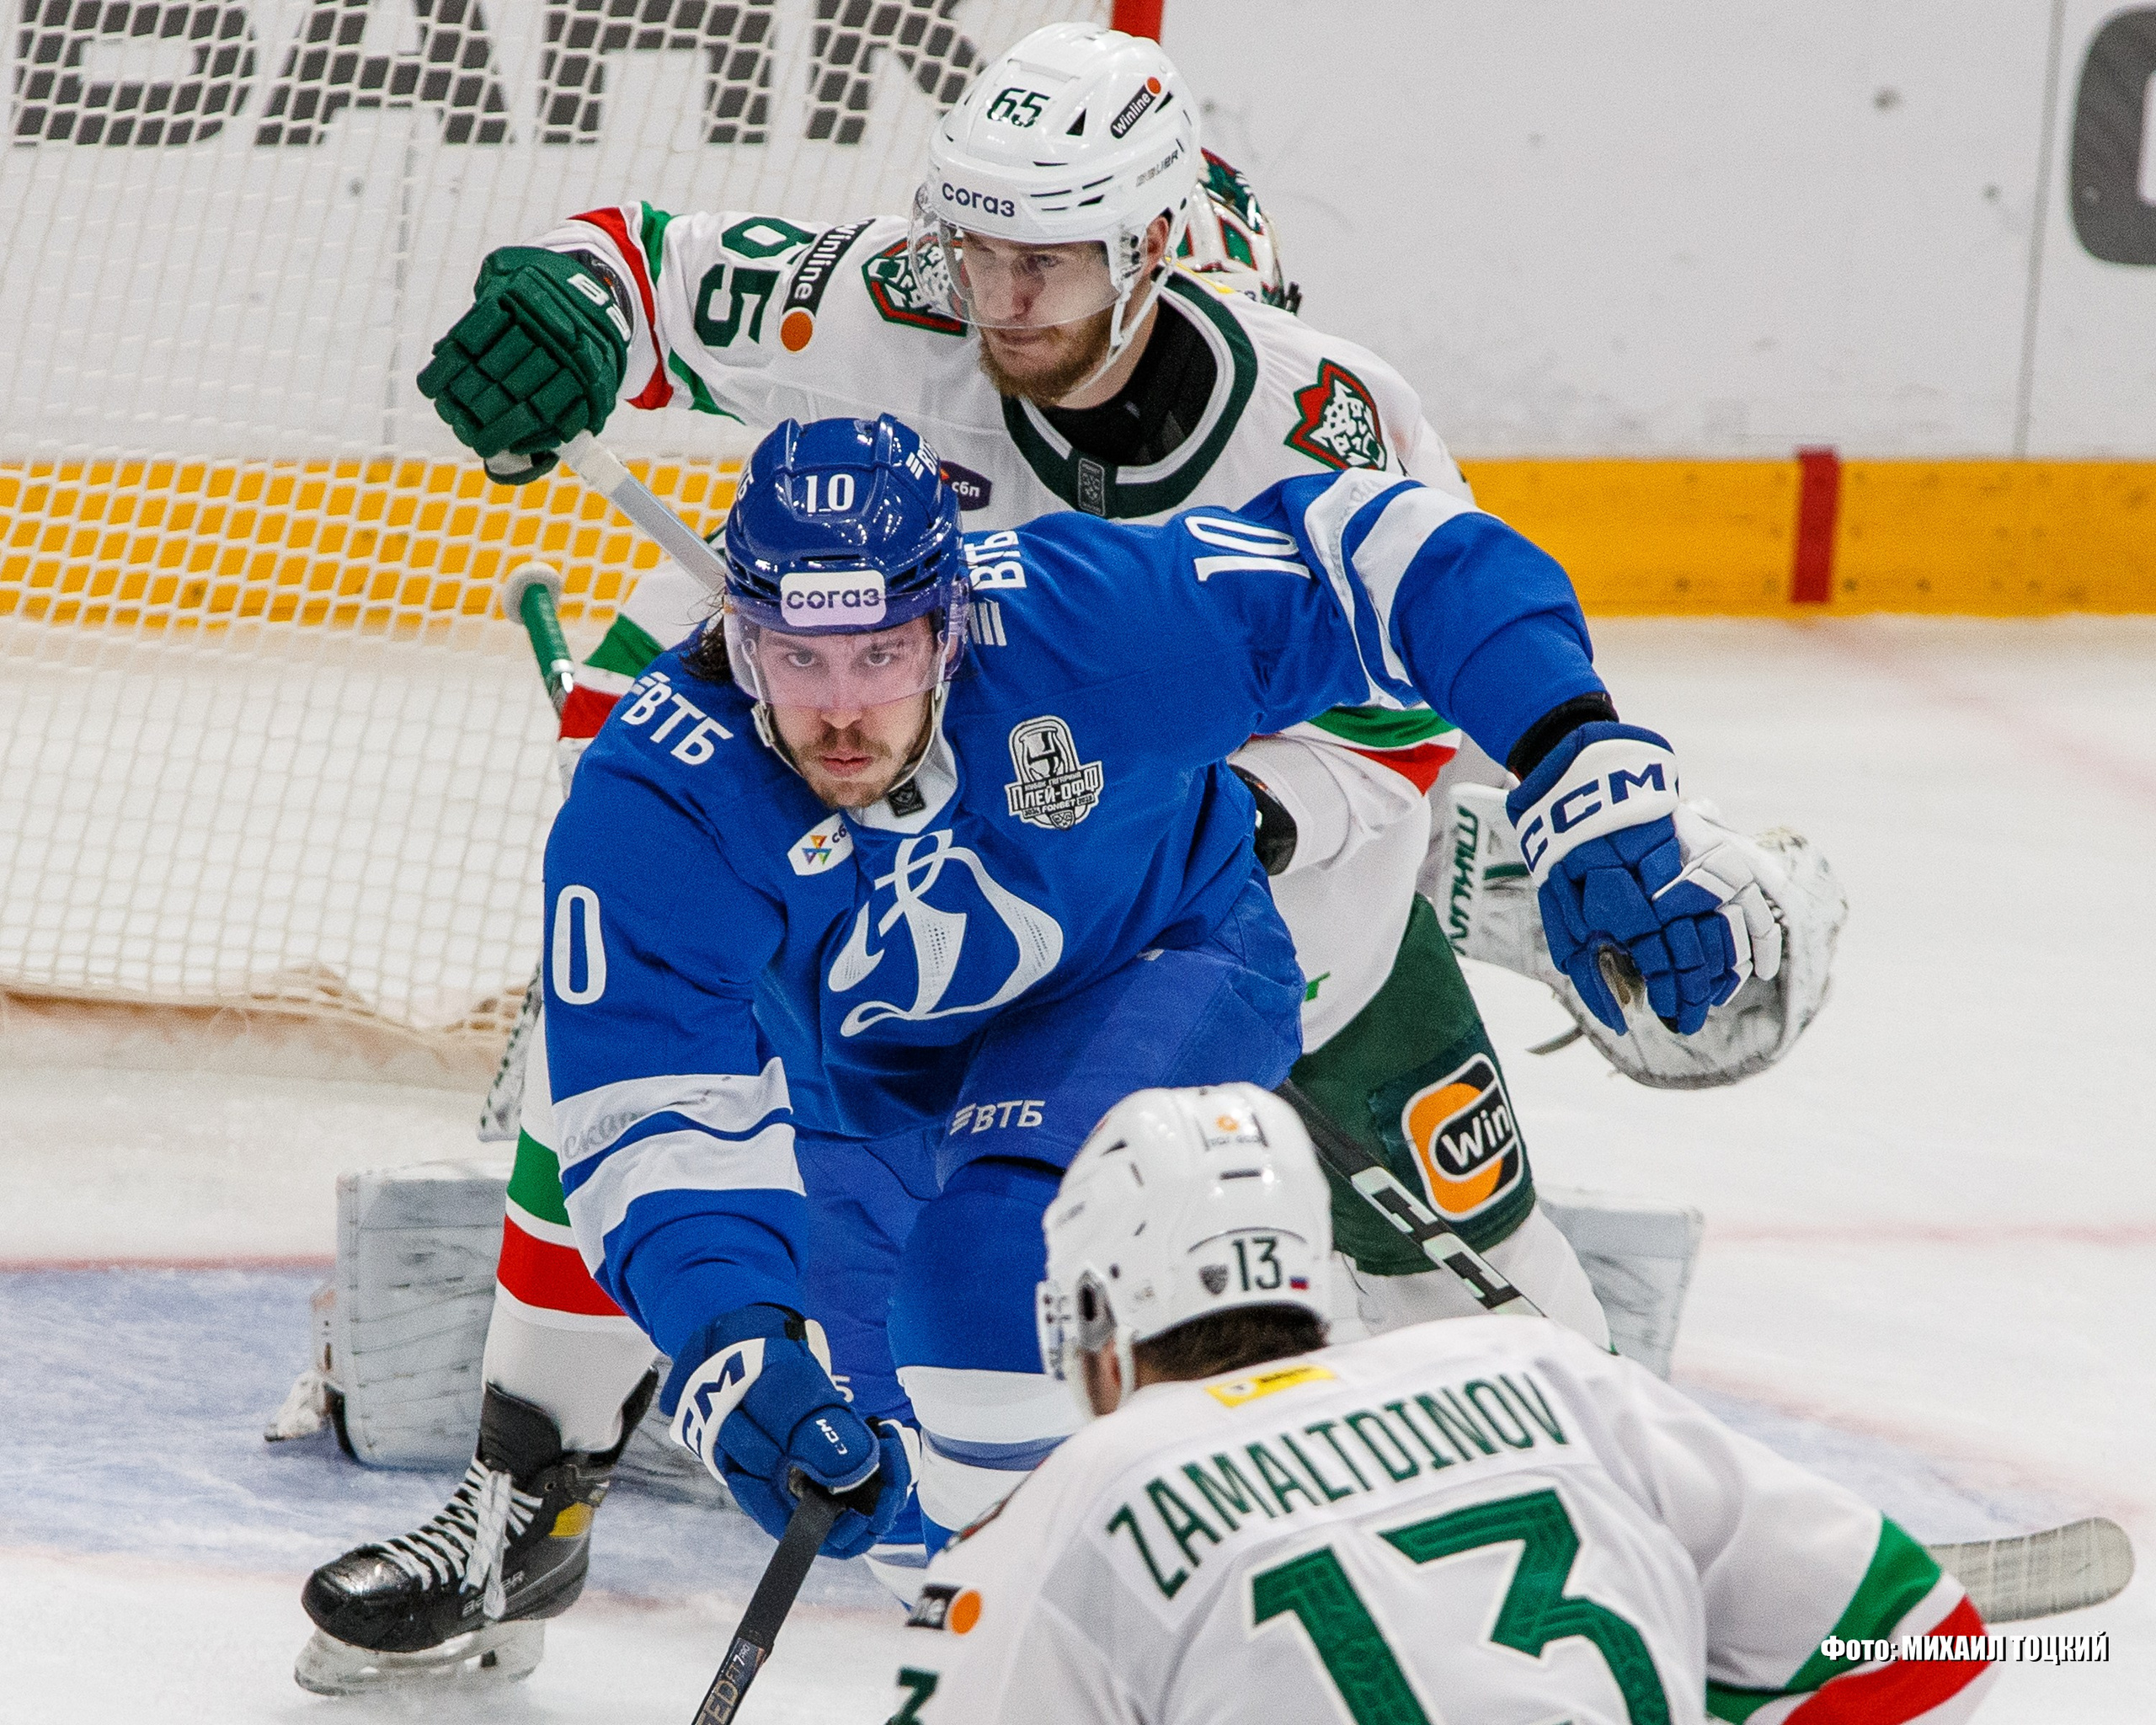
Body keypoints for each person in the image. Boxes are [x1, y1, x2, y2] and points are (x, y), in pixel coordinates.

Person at [295, 406, 1784, 1692]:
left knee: (985, 1270)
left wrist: (1578, 755)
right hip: (864, 1095)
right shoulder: (655, 800)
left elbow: (1395, 554)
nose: (838, 708)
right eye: (793, 657)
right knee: (906, 1505)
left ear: (952, 619)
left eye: (881, 650)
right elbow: (644, 1122)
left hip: (1157, 970)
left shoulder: (1087, 616)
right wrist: (732, 1339)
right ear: (732, 629)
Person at [898, 1082, 1997, 1725]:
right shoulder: (1543, 1373)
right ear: (1315, 1273)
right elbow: (1929, 1639)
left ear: (1085, 1322)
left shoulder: (1058, 1514)